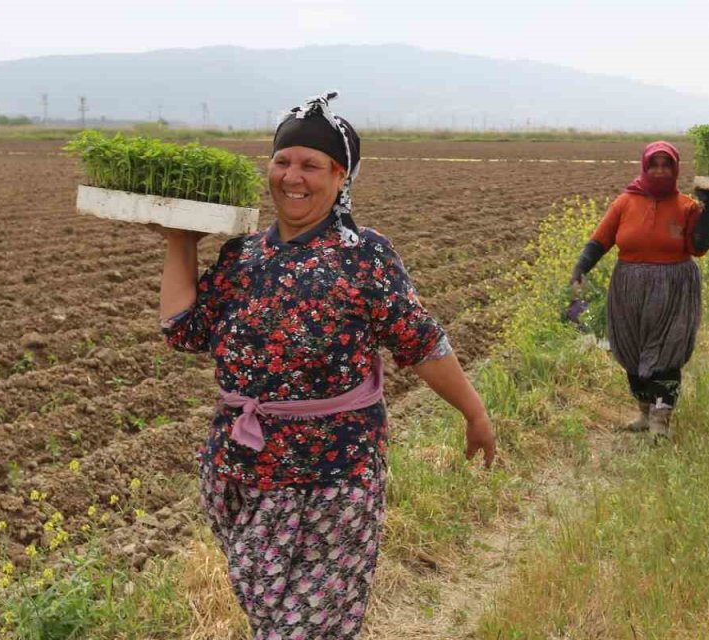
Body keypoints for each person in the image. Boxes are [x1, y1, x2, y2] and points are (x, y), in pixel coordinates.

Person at [156, 92, 496, 639]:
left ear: (341, 177)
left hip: (333, 476)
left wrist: (474, 414)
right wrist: (179, 241)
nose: (293, 176)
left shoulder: (364, 255)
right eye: (283, 160)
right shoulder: (243, 255)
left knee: (307, 629)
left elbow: (421, 343)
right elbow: (184, 331)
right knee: (272, 620)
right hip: (240, 471)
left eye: (311, 165)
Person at [570, 141, 709, 442]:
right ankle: (644, 413)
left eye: (665, 164)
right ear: (644, 166)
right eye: (654, 164)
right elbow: (601, 240)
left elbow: (700, 246)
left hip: (675, 290)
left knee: (667, 354)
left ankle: (661, 421)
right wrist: (581, 268)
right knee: (632, 352)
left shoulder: (686, 206)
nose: (659, 170)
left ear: (675, 169)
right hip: (630, 289)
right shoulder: (625, 202)